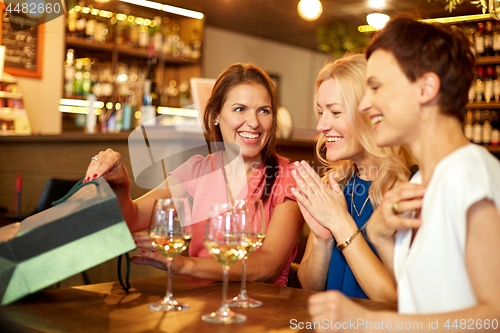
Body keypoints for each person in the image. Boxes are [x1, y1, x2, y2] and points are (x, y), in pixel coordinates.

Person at [308, 18, 500, 332]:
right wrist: (381, 239)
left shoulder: (468, 176)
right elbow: (419, 301)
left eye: (377, 87)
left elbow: (494, 317)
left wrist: (370, 322)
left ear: (426, 88)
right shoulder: (420, 183)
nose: (366, 104)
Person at [84, 63, 304, 286]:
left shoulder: (290, 177)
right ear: (216, 115)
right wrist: (122, 187)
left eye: (264, 110)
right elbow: (132, 218)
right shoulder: (197, 170)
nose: (254, 122)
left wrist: (184, 265)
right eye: (240, 109)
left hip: (264, 310)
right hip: (199, 309)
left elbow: (267, 267)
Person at [291, 54, 414, 303]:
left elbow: (396, 300)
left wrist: (340, 222)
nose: (322, 125)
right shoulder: (337, 184)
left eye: (335, 112)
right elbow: (309, 285)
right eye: (320, 112)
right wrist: (324, 240)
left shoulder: (412, 188)